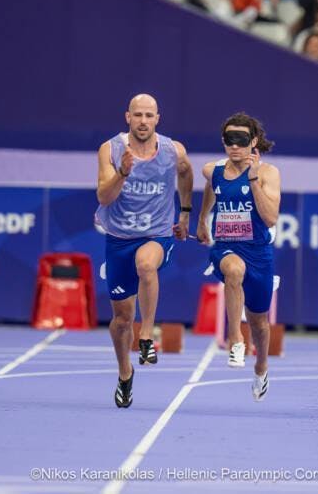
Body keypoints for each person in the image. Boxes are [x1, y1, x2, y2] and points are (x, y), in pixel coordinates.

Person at [95, 94, 193, 408]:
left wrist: (185, 213)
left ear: (157, 119)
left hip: (157, 234)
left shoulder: (172, 150)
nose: (143, 121)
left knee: (146, 264)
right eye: (138, 115)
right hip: (119, 238)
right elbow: (104, 197)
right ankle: (125, 373)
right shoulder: (110, 150)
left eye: (149, 115)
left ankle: (147, 336)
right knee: (121, 320)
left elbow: (186, 173)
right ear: (127, 117)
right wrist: (122, 173)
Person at [196, 113, 280, 401]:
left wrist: (254, 180)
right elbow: (210, 186)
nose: (235, 146)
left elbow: (270, 219)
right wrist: (201, 219)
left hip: (258, 252)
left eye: (241, 140)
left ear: (253, 142)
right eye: (230, 140)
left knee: (260, 322)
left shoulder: (269, 173)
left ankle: (261, 367)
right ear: (223, 142)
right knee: (233, 270)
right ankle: (235, 339)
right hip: (227, 247)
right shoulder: (212, 170)